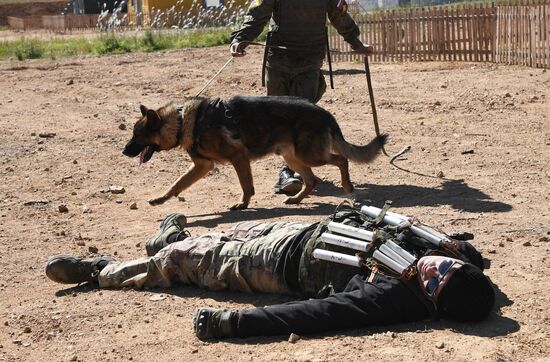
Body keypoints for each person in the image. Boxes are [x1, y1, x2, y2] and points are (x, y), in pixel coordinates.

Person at [46, 206, 495, 340]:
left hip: (276, 267)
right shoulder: (455, 269)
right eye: (446, 265)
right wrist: (453, 247)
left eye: (437, 278)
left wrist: (232, 323)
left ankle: (104, 271)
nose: (434, 267)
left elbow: (315, 315)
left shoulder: (390, 297)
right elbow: (471, 264)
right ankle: (168, 240)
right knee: (224, 232)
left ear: (433, 303)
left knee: (187, 263)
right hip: (308, 231)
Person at [229, 0, 373, 195]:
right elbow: (259, 12)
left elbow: (338, 14)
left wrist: (356, 43)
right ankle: (290, 172)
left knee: (302, 118)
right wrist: (241, 38)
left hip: (309, 60)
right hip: (278, 60)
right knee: (278, 121)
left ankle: (293, 171)